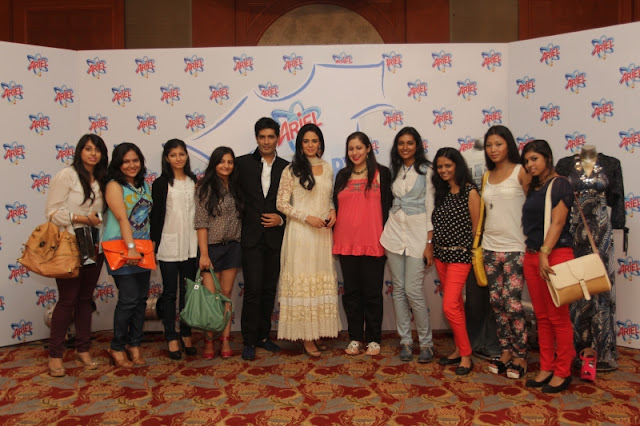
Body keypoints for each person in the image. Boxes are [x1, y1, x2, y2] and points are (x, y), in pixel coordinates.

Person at [556, 145, 625, 374]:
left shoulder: (611, 163)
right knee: (575, 290)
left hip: (601, 235)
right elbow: (557, 199)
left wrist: (619, 223)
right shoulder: (565, 164)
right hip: (573, 232)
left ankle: (602, 350)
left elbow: (617, 198)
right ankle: (575, 349)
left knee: (601, 290)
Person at [276, 123, 341, 357]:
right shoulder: (291, 170)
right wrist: (306, 218)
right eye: (306, 141)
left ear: (320, 143)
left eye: (314, 141)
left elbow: (328, 197)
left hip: (322, 234)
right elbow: (281, 204)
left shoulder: (327, 167)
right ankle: (305, 338)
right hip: (301, 234)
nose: (311, 145)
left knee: (318, 281)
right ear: (299, 144)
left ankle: (315, 333)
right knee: (303, 284)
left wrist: (332, 211)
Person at [45, 134, 108, 377]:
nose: (93, 153)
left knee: (84, 299)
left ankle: (83, 350)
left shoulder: (102, 178)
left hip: (92, 243)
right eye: (88, 149)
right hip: (70, 243)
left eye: (97, 150)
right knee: (67, 299)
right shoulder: (67, 175)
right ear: (80, 151)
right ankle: (55, 355)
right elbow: (52, 212)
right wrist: (82, 219)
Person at [521, 139, 575, 393]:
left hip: (555, 255)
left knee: (558, 317)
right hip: (533, 255)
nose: (530, 165)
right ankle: (546, 367)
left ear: (548, 158)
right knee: (542, 317)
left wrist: (544, 253)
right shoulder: (535, 186)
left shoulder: (560, 184)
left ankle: (563, 371)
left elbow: (558, 222)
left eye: (535, 159)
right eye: (526, 161)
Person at [333, 131, 393, 356]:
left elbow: (389, 206)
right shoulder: (342, 175)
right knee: (351, 293)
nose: (355, 152)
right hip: (346, 242)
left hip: (373, 242)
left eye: (359, 147)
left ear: (368, 148)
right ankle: (355, 337)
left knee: (372, 293)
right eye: (351, 148)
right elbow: (335, 205)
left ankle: (374, 339)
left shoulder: (382, 173)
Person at [379, 126, 435, 363]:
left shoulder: (427, 170)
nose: (405, 147)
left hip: (418, 236)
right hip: (393, 235)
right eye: (401, 143)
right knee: (399, 290)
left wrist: (429, 243)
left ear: (417, 145)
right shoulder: (395, 170)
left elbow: (431, 207)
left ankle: (426, 343)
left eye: (409, 143)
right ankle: (405, 341)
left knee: (413, 291)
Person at [235, 118, 290, 361]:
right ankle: (248, 340)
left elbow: (295, 203)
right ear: (256, 138)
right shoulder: (241, 164)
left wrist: (282, 219)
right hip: (251, 238)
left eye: (271, 137)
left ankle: (263, 337)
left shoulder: (288, 168)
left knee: (269, 290)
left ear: (278, 138)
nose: (266, 141)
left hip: (275, 239)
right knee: (253, 290)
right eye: (262, 137)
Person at [482, 125, 532, 379]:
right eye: (489, 145)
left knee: (512, 303)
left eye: (498, 144)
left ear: (508, 145)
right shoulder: (486, 175)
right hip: (490, 247)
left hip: (515, 247)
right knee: (496, 302)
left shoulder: (521, 171)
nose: (493, 149)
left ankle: (521, 355)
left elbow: (534, 207)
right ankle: (505, 351)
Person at [103, 143, 153, 368]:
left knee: (141, 300)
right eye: (126, 161)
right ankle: (117, 347)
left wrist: (145, 246)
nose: (131, 165)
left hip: (143, 248)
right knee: (129, 299)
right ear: (118, 164)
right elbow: (122, 218)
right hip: (120, 247)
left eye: (135, 160)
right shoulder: (114, 186)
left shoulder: (144, 184)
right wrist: (130, 247)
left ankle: (135, 345)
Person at [431, 147, 480, 376]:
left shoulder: (470, 191)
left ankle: (466, 356)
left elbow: (476, 228)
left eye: (448, 166)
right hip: (441, 256)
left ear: (458, 165)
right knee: (456, 305)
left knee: (449, 305)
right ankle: (459, 349)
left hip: (461, 256)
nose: (443, 170)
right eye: (440, 166)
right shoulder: (441, 192)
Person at [151, 139, 198, 360]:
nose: (178, 158)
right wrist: (153, 244)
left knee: (188, 292)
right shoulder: (161, 183)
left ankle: (186, 333)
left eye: (181, 154)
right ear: (166, 158)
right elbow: (156, 217)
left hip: (191, 245)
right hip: (168, 244)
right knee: (170, 292)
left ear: (186, 156)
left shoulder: (193, 181)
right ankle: (171, 335)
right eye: (173, 155)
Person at [194, 146, 243, 359]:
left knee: (226, 295)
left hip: (233, 246)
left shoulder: (237, 187)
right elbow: (201, 223)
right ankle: (208, 341)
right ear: (214, 164)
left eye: (230, 162)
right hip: (211, 248)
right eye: (222, 161)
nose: (226, 165)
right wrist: (204, 254)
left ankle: (225, 340)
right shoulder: (204, 188)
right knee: (210, 298)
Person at [461, 138, 501, 360]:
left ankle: (494, 341)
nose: (493, 149)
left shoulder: (503, 170)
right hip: (472, 239)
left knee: (498, 295)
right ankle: (475, 341)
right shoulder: (462, 159)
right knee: (475, 294)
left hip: (499, 236)